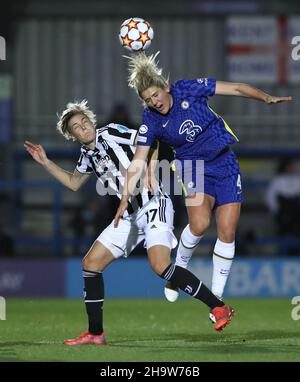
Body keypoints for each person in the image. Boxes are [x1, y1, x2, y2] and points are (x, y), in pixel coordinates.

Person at [24, 100, 234, 346]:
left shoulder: (112, 132)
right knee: (90, 264)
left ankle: (219, 307)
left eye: (85, 121)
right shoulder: (86, 155)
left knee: (160, 266)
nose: (84, 127)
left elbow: (151, 139)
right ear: (73, 136)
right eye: (77, 128)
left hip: (154, 203)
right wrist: (46, 162)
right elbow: (73, 183)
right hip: (128, 216)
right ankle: (95, 333)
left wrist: (152, 166)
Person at [114, 51, 292, 321]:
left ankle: (217, 303)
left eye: (156, 95)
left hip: (224, 162)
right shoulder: (150, 120)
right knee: (199, 224)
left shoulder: (188, 89)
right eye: (148, 100)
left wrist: (264, 96)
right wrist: (125, 197)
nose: (154, 102)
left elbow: (234, 88)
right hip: (192, 167)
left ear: (166, 87)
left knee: (228, 231)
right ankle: (178, 271)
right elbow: (138, 161)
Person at [265, 158, 300, 254]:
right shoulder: (277, 180)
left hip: (296, 211)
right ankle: (283, 254)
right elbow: (270, 197)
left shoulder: (297, 179)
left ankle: (296, 254)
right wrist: (277, 212)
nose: (292, 168)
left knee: (297, 233)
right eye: (290, 166)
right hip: (283, 211)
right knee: (283, 234)